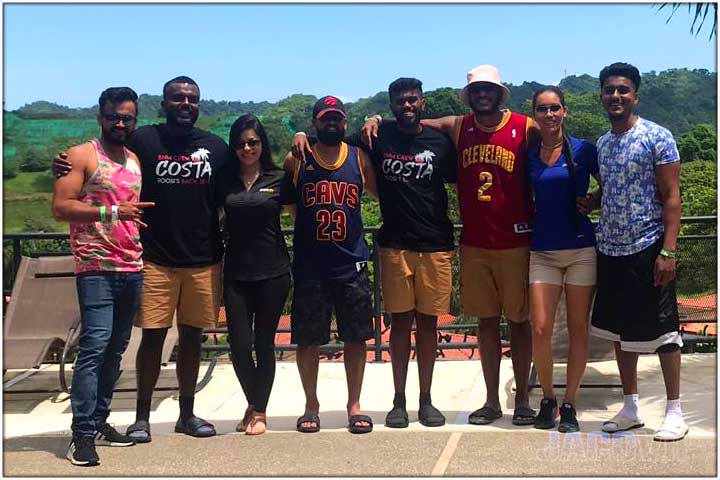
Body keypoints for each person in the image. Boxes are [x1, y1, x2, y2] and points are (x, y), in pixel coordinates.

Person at [54, 76, 228, 441]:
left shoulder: (216, 147)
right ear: (163, 104)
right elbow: (99, 152)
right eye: (177, 98)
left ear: (199, 104)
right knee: (151, 339)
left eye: (192, 98)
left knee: (192, 340)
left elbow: (237, 185)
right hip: (152, 258)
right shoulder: (142, 139)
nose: (185, 103)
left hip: (202, 258)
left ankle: (187, 414)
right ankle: (141, 417)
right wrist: (61, 163)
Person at [364, 64, 536, 426]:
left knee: (518, 322)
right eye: (477, 90)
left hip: (508, 241)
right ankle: (488, 402)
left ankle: (522, 400)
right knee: (483, 323)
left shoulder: (524, 126)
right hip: (470, 242)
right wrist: (370, 119)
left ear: (499, 93)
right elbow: (345, 143)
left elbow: (556, 148)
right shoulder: (458, 128)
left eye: (488, 89)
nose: (483, 95)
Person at [294, 79, 456, 428]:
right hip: (393, 244)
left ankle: (425, 399)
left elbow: (465, 179)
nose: (407, 105)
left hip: (434, 242)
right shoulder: (372, 139)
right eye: (400, 101)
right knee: (398, 324)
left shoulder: (438, 142)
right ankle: (398, 400)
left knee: (426, 325)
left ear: (422, 103)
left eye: (412, 100)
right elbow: (301, 189)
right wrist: (299, 138)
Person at [583, 62, 686, 442]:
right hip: (609, 247)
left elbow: (672, 197)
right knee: (618, 331)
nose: (616, 96)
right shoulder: (602, 144)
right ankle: (631, 406)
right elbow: (613, 188)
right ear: (601, 96)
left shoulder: (658, 137)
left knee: (664, 332)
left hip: (648, 247)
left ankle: (675, 410)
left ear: (636, 95)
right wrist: (591, 200)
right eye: (609, 90)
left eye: (623, 90)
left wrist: (669, 251)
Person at [52, 86, 153, 466]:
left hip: (132, 266)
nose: (121, 122)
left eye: (127, 116)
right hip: (95, 266)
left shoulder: (134, 159)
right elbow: (61, 207)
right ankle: (81, 434)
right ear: (100, 116)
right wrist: (112, 213)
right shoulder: (81, 155)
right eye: (114, 116)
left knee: (115, 349)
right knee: (94, 347)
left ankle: (98, 421)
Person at [283, 95, 378, 434]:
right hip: (311, 265)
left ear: (345, 123)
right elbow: (290, 205)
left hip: (351, 264)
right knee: (308, 340)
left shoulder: (358, 158)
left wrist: (376, 118)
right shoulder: (297, 160)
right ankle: (311, 404)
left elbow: (382, 194)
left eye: (337, 118)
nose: (332, 123)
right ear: (314, 123)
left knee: (356, 338)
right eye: (326, 118)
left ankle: (354, 404)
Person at [526, 86, 599, 433]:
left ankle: (570, 403)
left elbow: (612, 181)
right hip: (543, 250)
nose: (550, 115)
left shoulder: (584, 149)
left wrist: (594, 199)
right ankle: (548, 398)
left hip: (581, 248)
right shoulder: (528, 153)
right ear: (534, 114)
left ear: (565, 112)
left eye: (555, 108)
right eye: (543, 109)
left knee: (577, 329)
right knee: (539, 329)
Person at [215, 114, 291, 435]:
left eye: (253, 142)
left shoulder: (278, 178)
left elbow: (300, 218)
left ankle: (259, 411)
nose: (247, 148)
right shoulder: (223, 181)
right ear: (234, 146)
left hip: (273, 272)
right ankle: (254, 402)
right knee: (239, 346)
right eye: (242, 143)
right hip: (235, 274)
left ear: (263, 145)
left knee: (263, 343)